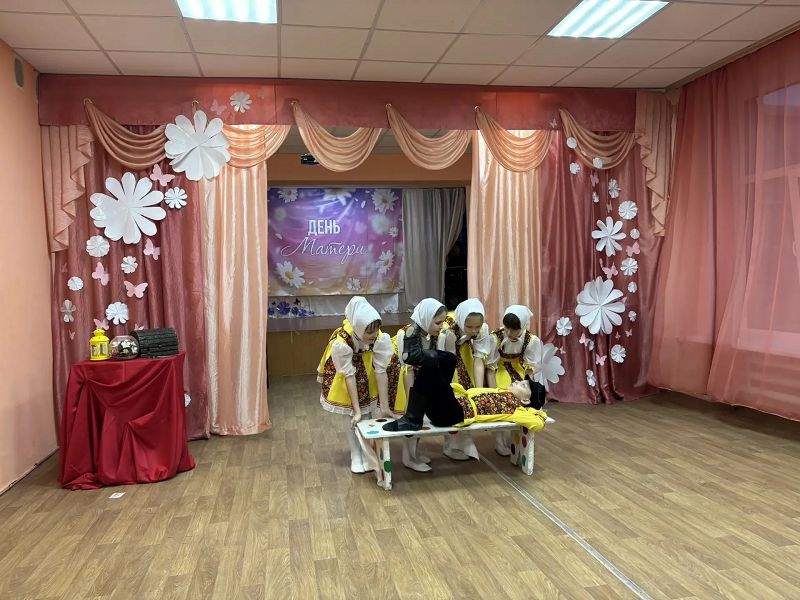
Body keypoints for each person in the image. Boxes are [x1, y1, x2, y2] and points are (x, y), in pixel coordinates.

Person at [317, 296, 397, 473]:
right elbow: (348, 375)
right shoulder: (342, 343)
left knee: (368, 411)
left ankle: (366, 451)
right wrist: (357, 410)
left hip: (366, 369)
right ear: (359, 329)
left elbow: (381, 370)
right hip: (346, 374)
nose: (374, 335)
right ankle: (355, 453)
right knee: (351, 414)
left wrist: (384, 406)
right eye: (369, 332)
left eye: (376, 330)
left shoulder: (379, 338)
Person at [383, 350, 547, 433]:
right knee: (450, 359)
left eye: (523, 385)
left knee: (432, 369)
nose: (517, 381)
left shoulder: (518, 410)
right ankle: (418, 355)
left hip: (454, 415)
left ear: (525, 400)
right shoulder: (501, 391)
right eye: (521, 381)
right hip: (448, 405)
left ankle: (412, 419)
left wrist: (538, 411)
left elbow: (538, 423)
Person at [392, 298, 449, 472]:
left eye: (442, 322)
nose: (441, 326)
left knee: (421, 419)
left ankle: (414, 454)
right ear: (425, 318)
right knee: (412, 417)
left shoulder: (436, 336)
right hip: (409, 381)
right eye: (437, 322)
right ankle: (407, 457)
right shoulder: (406, 334)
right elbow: (407, 368)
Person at [436, 298, 492, 459]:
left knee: (468, 395)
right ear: (461, 322)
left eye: (477, 326)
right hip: (446, 356)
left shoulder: (482, 329)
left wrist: (478, 391)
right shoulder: (446, 330)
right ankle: (450, 443)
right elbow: (446, 360)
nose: (474, 331)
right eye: (469, 327)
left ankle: (463, 439)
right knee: (451, 398)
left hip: (464, 353)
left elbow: (479, 360)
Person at [486, 305, 540, 456]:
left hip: (518, 371)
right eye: (507, 328)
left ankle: (518, 441)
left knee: (521, 406)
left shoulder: (531, 340)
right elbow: (490, 368)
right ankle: (499, 441)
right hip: (499, 371)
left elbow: (529, 369)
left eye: (514, 329)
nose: (509, 333)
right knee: (500, 404)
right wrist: (493, 391)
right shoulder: (495, 337)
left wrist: (529, 389)